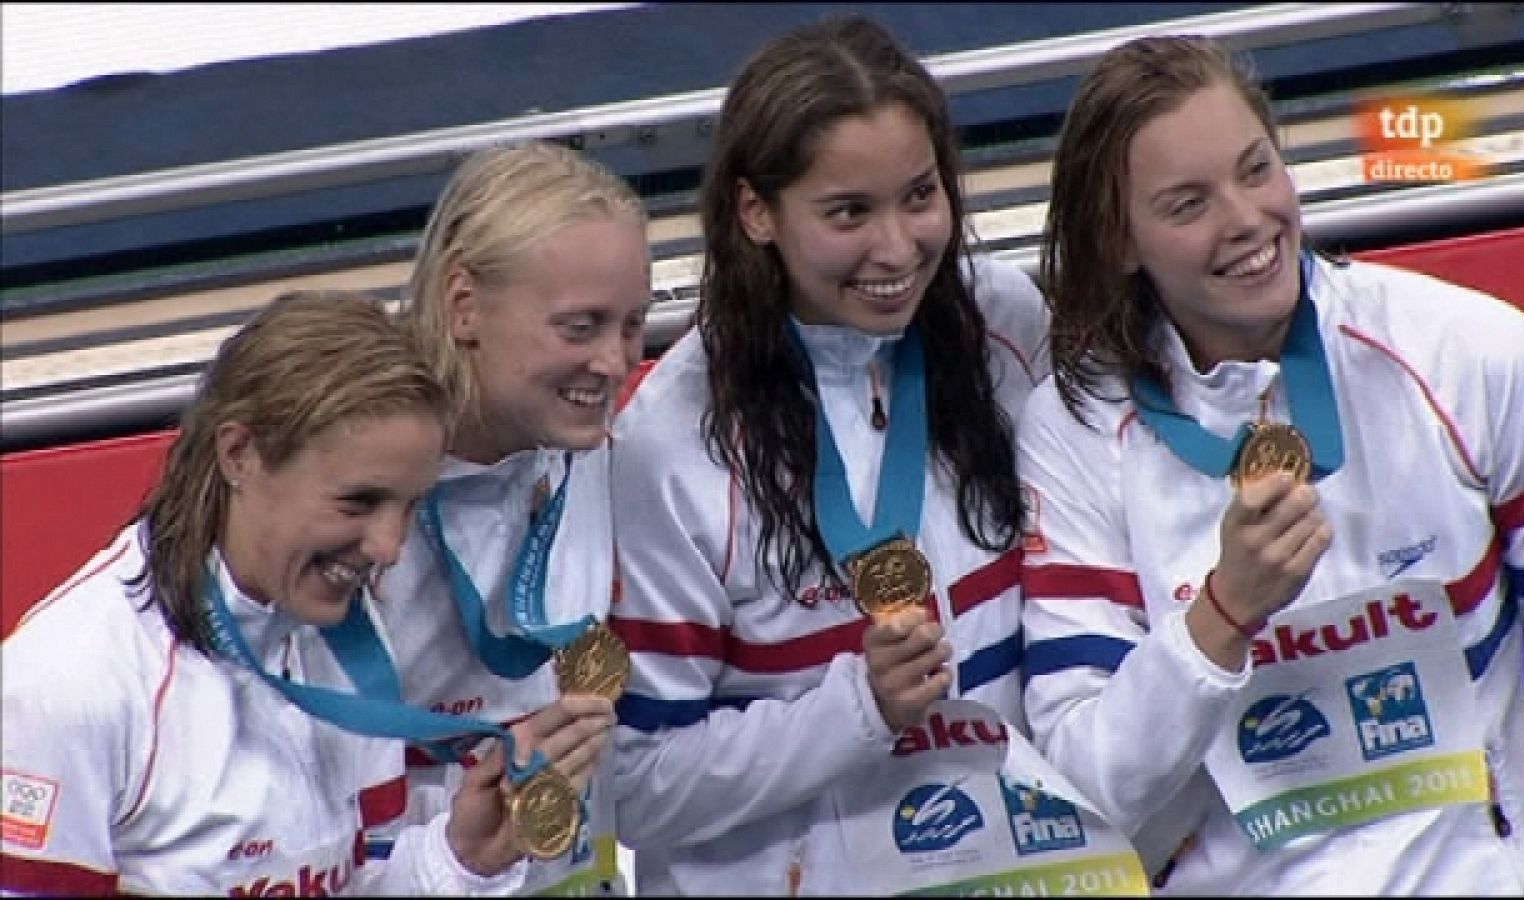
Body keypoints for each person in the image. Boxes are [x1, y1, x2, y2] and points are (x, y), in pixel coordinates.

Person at [1017, 33, 1524, 895]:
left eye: (1257, 170)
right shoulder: (1072, 431)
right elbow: (1089, 790)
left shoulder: (1471, 355)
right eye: (1187, 205)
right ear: (1121, 241)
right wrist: (1223, 616)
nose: (1246, 219)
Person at [605, 15, 1127, 896]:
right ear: (755, 212)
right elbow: (634, 785)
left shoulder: (1006, 329)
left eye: (920, 196)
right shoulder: (671, 440)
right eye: (849, 212)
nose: (898, 248)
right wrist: (857, 713)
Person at [1, 290, 556, 895]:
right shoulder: (68, 686)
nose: (388, 547)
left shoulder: (348, 634)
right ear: (239, 454)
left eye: (409, 505)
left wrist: (460, 860)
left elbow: (357, 882)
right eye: (358, 502)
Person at [373, 140, 651, 894]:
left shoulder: (588, 452)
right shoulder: (351, 500)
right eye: (579, 326)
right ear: (465, 307)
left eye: (631, 324)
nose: (616, 361)